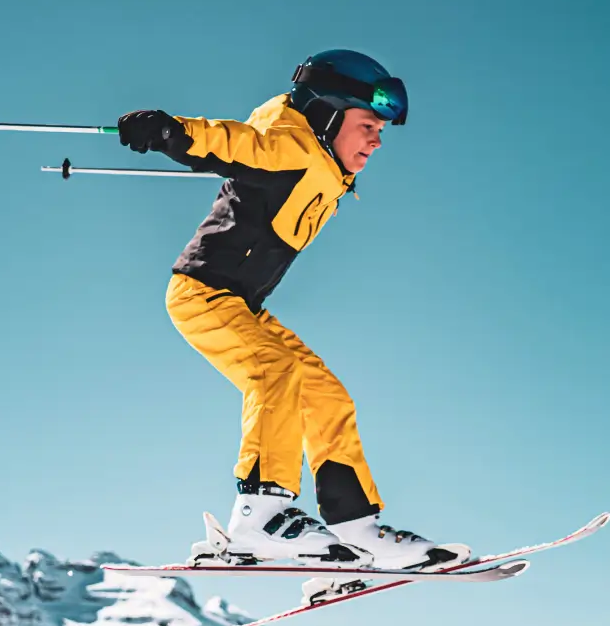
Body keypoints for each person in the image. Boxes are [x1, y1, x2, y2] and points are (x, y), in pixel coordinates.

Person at [117, 49, 467, 569]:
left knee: (326, 395)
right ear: (327, 113)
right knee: (275, 372)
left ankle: (356, 528)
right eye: (368, 124)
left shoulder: (324, 168)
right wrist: (171, 132)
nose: (376, 139)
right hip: (202, 294)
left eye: (381, 131)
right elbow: (230, 142)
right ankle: (259, 517)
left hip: (243, 307)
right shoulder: (289, 147)